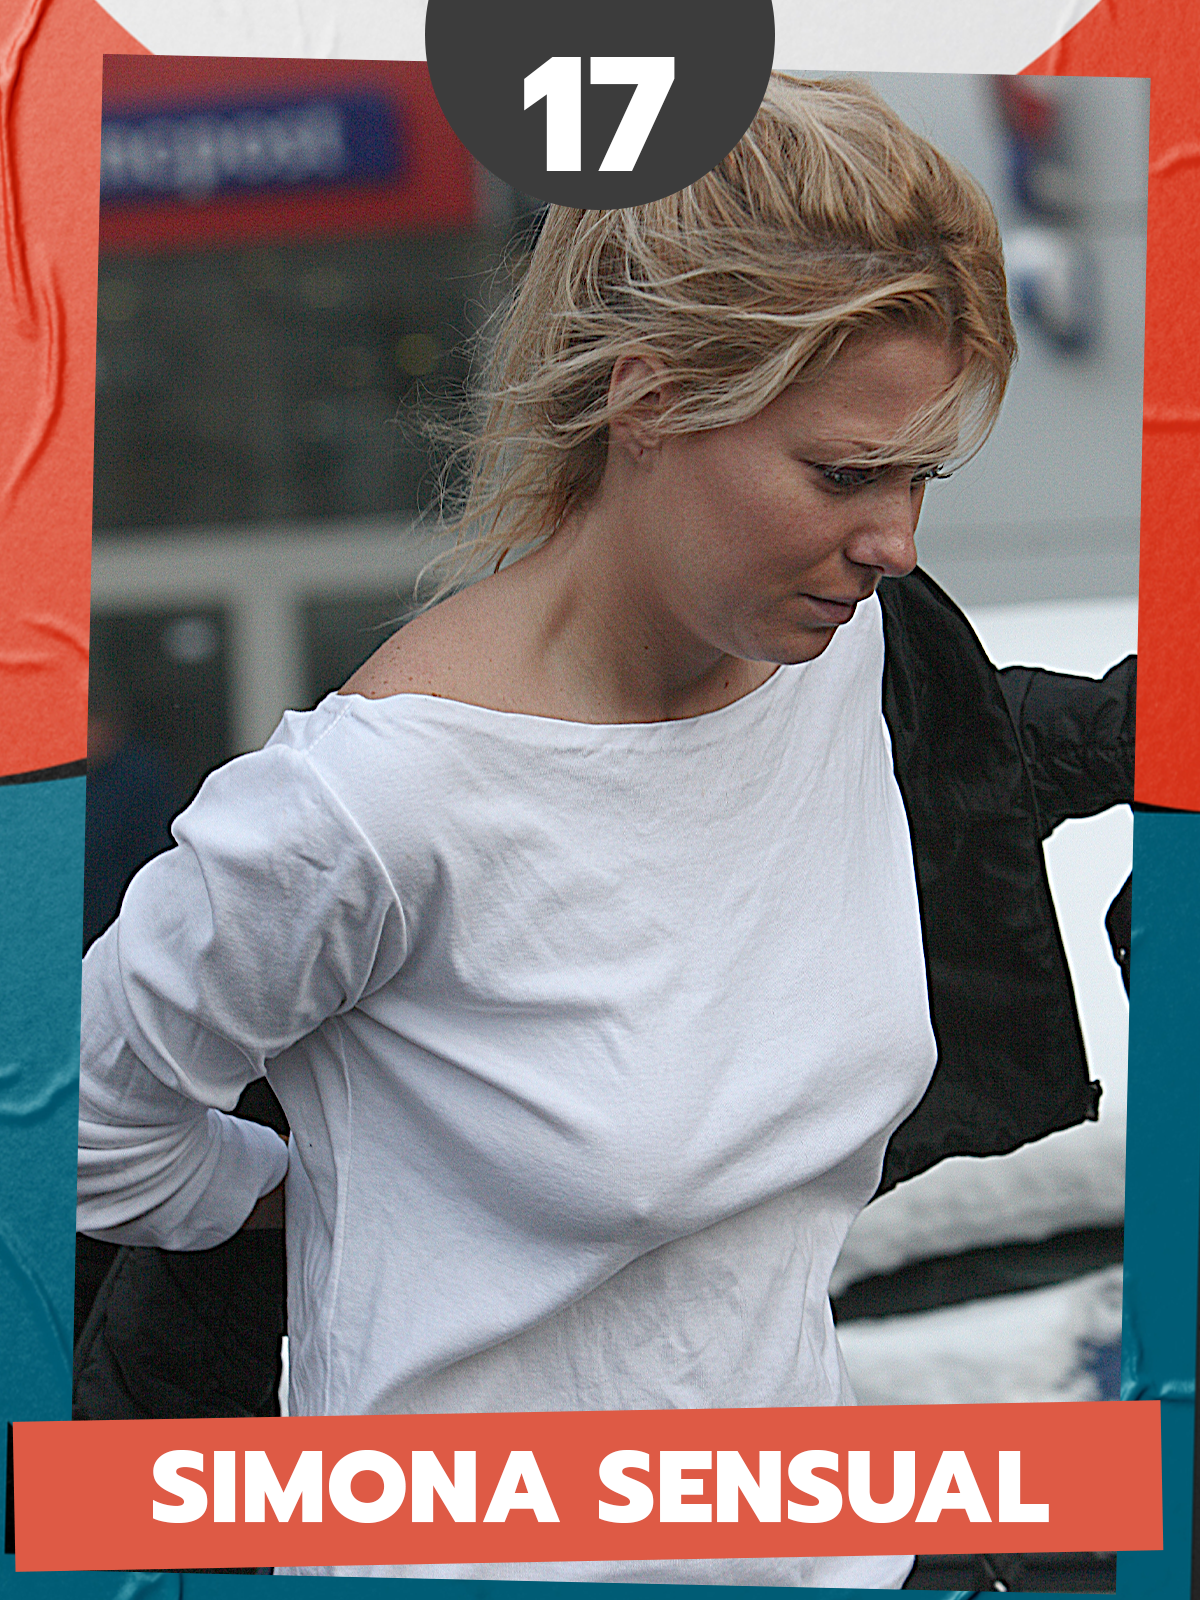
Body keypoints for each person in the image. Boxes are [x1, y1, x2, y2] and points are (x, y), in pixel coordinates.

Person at [76, 76, 1135, 1588]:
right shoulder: (369, 803)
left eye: (922, 475)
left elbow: (993, 765)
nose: (896, 540)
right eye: (844, 473)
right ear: (647, 401)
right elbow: (83, 1130)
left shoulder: (852, 663)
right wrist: (314, 1200)